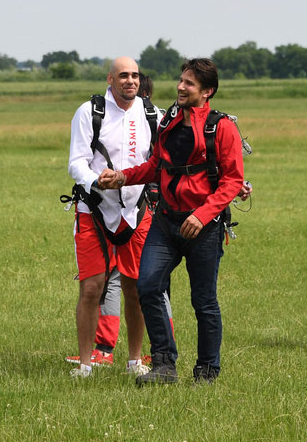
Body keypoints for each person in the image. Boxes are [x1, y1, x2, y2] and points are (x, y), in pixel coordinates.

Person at [99, 58, 245, 385]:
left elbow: (233, 180)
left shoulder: (221, 127)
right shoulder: (168, 121)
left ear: (207, 91)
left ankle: (207, 371)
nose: (180, 86)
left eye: (189, 83)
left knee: (203, 301)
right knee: (148, 285)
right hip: (165, 222)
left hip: (203, 228)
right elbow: (156, 166)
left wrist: (203, 214)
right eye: (181, 80)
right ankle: (164, 365)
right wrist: (123, 176)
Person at [68, 72, 173, 370]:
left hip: (137, 212)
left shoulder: (154, 115)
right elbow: (76, 161)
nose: (130, 81)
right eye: (124, 75)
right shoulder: (90, 112)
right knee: (92, 287)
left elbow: (168, 161)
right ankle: (86, 365)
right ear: (111, 78)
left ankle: (134, 360)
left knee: (136, 288)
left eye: (135, 76)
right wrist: (95, 182)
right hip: (94, 209)